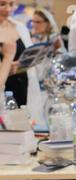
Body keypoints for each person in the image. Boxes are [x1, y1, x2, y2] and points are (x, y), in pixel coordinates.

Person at [0, 0, 45, 130]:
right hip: (5, 98)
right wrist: (8, 61)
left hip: (23, 93)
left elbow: (28, 59)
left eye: (11, 4)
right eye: (2, 4)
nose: (8, 9)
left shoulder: (19, 27)